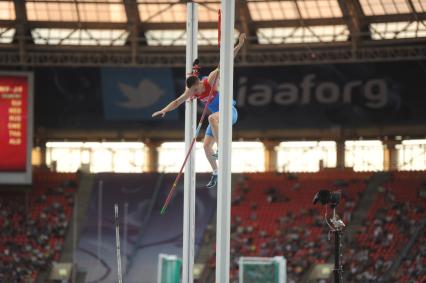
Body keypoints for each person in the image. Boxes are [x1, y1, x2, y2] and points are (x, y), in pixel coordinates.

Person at [152, 33, 246, 188]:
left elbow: (227, 60)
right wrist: (164, 110)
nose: (194, 94)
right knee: (206, 145)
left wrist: (239, 45)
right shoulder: (191, 91)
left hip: (229, 113)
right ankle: (216, 172)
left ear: (200, 83)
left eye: (196, 90)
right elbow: (176, 102)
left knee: (211, 119)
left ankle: (222, 147)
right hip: (217, 118)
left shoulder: (211, 79)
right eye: (193, 92)